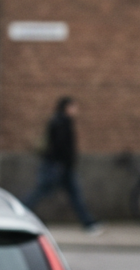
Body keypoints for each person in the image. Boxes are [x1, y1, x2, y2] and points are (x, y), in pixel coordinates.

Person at [21, 96, 102, 234]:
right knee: (42, 191)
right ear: (67, 107)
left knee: (74, 194)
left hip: (62, 167)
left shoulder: (61, 121)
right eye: (73, 107)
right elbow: (60, 146)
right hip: (58, 166)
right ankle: (19, 213)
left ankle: (88, 223)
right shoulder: (61, 122)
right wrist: (63, 163)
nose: (76, 110)